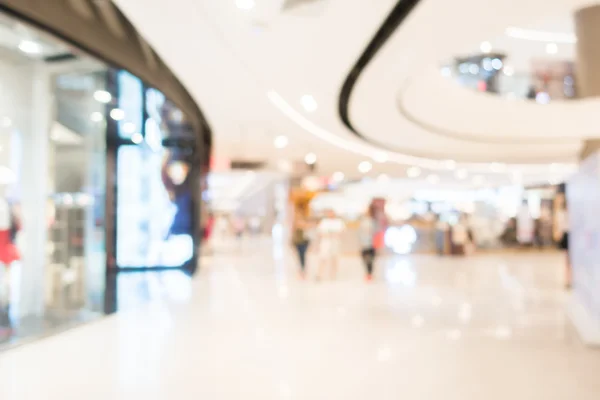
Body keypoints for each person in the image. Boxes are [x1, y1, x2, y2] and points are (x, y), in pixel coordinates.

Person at [316, 210, 345, 280]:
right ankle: (319, 274)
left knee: (334, 258)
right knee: (323, 258)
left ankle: (333, 275)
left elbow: (342, 231)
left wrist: (335, 234)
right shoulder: (324, 222)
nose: (330, 214)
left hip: (335, 242)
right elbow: (319, 231)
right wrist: (326, 235)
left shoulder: (339, 222)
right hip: (326, 242)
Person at [359, 206, 376, 281]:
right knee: (364, 257)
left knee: (370, 259)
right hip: (364, 242)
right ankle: (367, 273)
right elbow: (360, 232)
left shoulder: (373, 221)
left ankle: (369, 274)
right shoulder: (362, 221)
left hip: (371, 242)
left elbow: (375, 232)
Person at [292, 213, 310, 279]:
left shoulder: (305, 226)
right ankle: (300, 270)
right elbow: (294, 237)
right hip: (298, 243)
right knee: (299, 257)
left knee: (303, 256)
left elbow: (308, 236)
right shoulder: (296, 227)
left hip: (304, 243)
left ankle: (303, 270)